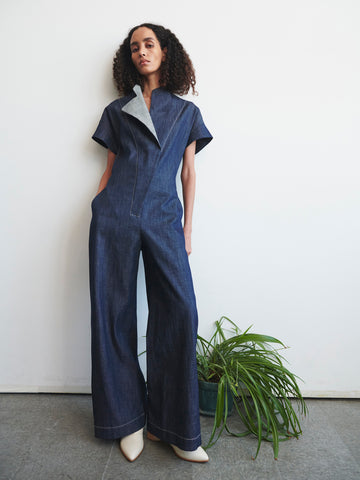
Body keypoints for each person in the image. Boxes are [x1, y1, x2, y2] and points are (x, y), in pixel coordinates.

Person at [89, 23, 213, 463]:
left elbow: (188, 174)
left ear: (166, 52)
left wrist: (188, 229)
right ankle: (128, 420)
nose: (142, 52)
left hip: (164, 217)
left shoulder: (185, 113)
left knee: (179, 309)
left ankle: (175, 426)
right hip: (115, 214)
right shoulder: (118, 109)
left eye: (150, 44)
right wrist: (99, 204)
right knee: (113, 311)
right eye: (135, 47)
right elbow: (110, 166)